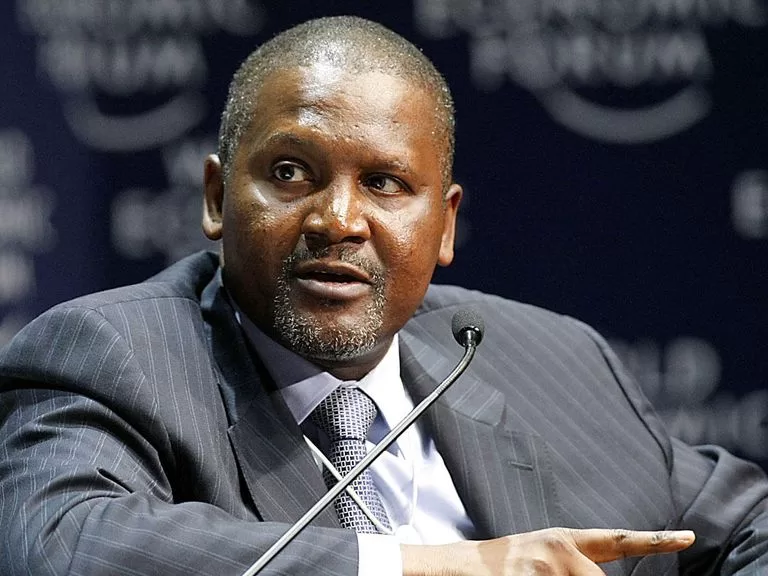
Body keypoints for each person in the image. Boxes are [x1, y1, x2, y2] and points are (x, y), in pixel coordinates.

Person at [0, 15, 766, 576]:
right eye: (291, 173)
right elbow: (60, 547)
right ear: (216, 196)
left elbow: (748, 526)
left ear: (445, 224)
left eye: (385, 183)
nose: (337, 221)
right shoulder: (113, 359)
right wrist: (433, 566)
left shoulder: (552, 359)